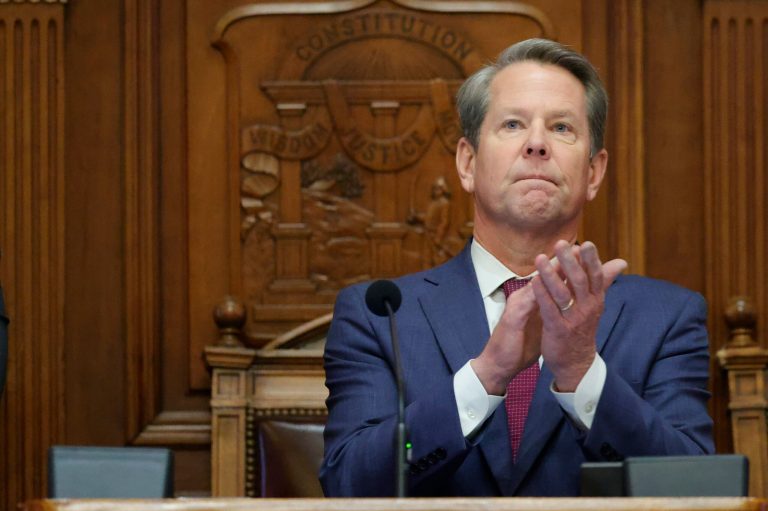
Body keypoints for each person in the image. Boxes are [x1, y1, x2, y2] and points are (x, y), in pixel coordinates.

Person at [320, 38, 713, 497]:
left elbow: (697, 492)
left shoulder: (667, 318)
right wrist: (486, 375)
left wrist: (583, 374)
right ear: (467, 164)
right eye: (512, 124)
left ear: (594, 173)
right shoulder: (379, 315)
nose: (537, 144)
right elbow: (349, 484)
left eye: (562, 127)